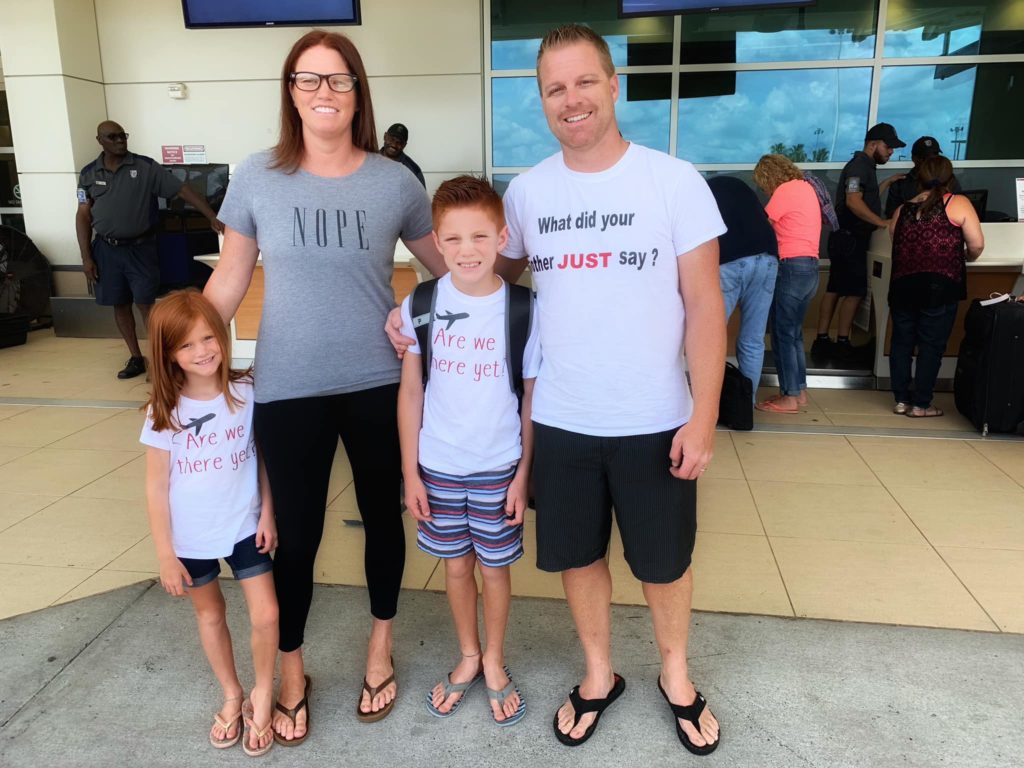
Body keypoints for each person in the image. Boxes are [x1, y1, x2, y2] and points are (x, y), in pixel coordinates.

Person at [204, 29, 449, 743]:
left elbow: (449, 273)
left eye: (338, 80)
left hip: (379, 382)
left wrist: (435, 319)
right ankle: (291, 666)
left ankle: (380, 646)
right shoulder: (256, 176)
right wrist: (179, 346)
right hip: (287, 386)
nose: (324, 93)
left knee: (383, 517)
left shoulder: (395, 182)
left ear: (358, 92)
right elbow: (229, 279)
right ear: (291, 93)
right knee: (296, 536)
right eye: (309, 80)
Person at [490, 23, 725, 754]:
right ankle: (599, 675)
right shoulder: (526, 194)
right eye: (555, 88)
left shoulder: (673, 180)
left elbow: (706, 309)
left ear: (613, 85)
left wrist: (705, 418)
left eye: (585, 81)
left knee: (664, 563)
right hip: (561, 419)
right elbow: (486, 283)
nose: (572, 99)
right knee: (579, 556)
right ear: (542, 101)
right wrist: (418, 316)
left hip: (656, 418)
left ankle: (676, 676)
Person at [397, 175, 539, 725]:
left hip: (498, 466)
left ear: (502, 237)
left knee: (496, 570)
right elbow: (412, 390)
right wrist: (410, 473)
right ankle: (469, 655)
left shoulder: (523, 309)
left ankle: (497, 659)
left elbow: (530, 398)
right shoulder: (422, 302)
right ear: (435, 240)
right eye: (453, 240)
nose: (467, 251)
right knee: (456, 568)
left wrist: (523, 473)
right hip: (437, 467)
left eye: (480, 237)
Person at [141, 289, 278, 757]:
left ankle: (262, 690)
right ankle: (231, 693)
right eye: (185, 345)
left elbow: (263, 459)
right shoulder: (163, 414)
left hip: (245, 526)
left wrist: (269, 511)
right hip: (191, 538)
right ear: (168, 355)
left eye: (207, 338)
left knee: (267, 614)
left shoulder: (248, 391)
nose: (201, 351)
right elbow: (156, 488)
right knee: (210, 613)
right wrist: (165, 554)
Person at [76, 121, 224, 379]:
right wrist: (86, 257)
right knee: (119, 304)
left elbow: (183, 190)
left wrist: (211, 216)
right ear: (100, 140)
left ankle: (160, 361)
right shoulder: (89, 174)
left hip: (140, 249)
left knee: (147, 305)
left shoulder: (144, 167)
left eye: (123, 136)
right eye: (113, 137)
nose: (120, 141)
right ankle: (136, 357)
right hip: (106, 250)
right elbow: (82, 216)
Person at [888, 156, 984, 417]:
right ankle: (921, 404)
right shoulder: (958, 203)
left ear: (918, 177)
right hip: (940, 286)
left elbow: (893, 237)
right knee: (931, 345)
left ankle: (901, 400)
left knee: (902, 343)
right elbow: (976, 245)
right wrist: (965, 257)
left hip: (903, 284)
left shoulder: (903, 209)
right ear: (949, 177)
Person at [814, 122, 904, 358]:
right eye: (888, 146)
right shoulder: (858, 166)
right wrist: (881, 222)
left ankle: (822, 340)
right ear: (873, 144)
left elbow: (866, 197)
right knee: (854, 291)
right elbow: (854, 201)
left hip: (843, 238)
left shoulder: (865, 167)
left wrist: (887, 183)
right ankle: (842, 342)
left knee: (835, 288)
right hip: (850, 239)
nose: (891, 151)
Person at [753, 155, 822, 414]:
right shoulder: (806, 188)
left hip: (791, 267)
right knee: (794, 333)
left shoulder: (785, 190)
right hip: (810, 267)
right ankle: (798, 390)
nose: (764, 189)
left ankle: (789, 397)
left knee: (783, 334)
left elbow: (762, 226)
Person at [707, 175, 779, 401]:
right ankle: (745, 404)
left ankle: (709, 406)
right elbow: (767, 221)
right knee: (753, 338)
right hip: (768, 259)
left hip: (730, 261)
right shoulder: (744, 190)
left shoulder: (702, 193)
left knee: (711, 335)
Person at [884, 136, 962, 218]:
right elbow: (891, 216)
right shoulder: (900, 183)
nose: (930, 161)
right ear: (914, 158)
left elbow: (961, 209)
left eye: (934, 157)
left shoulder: (949, 179)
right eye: (925, 158)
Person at [380, 122, 426, 187]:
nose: (394, 145)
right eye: (391, 139)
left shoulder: (413, 170)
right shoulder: (369, 161)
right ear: (385, 136)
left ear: (404, 145)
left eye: (399, 142)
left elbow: (421, 196)